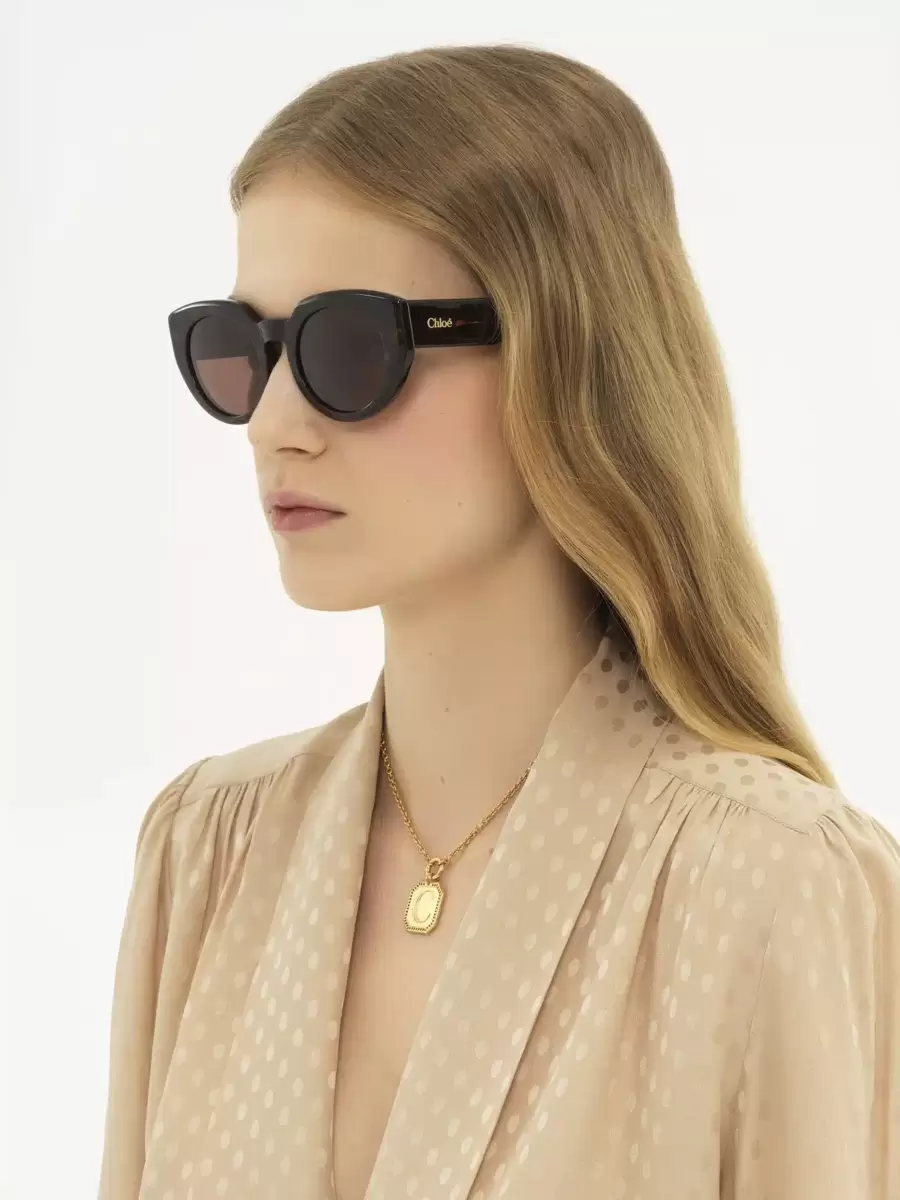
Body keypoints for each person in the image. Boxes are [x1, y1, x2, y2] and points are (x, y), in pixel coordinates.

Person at [98, 42, 899, 1200]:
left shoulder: (765, 884)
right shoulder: (207, 857)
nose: (273, 422)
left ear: (565, 353)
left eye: (348, 347)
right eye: (242, 351)